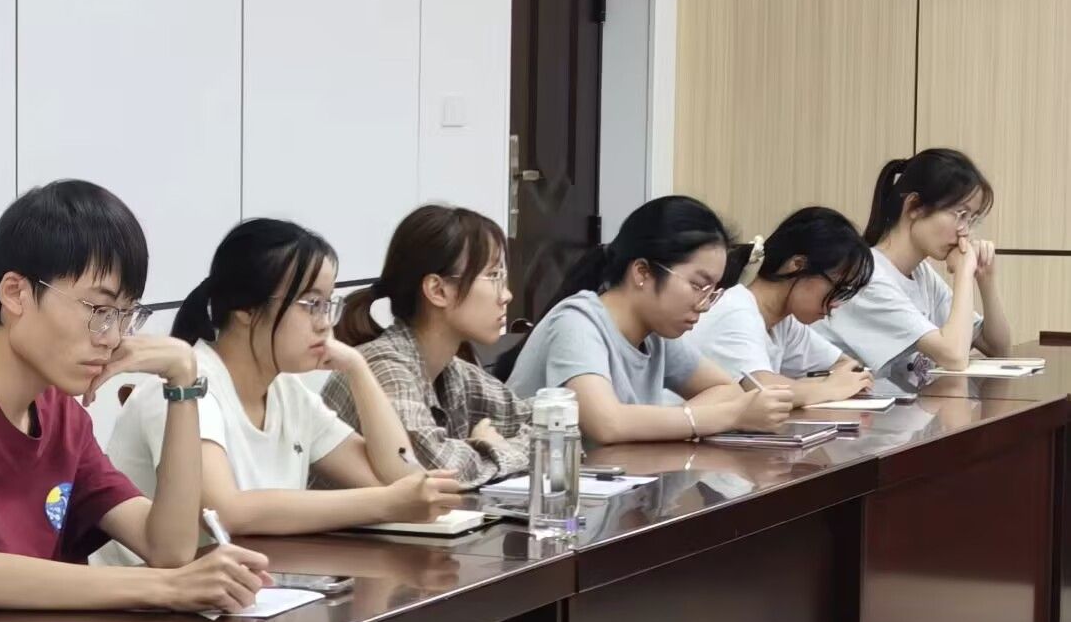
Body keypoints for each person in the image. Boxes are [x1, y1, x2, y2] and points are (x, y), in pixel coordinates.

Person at [0, 180, 271, 612]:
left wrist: (182, 383)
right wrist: (165, 588)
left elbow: (168, 548)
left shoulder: (63, 416)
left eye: (125, 315)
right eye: (99, 310)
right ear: (15, 293)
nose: (113, 337)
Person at [101, 219, 463, 542]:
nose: (325, 323)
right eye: (311, 304)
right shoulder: (183, 386)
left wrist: (358, 367)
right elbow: (224, 511)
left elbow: (397, 478)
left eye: (328, 305)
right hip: (144, 590)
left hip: (251, 583)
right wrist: (385, 503)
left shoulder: (289, 393)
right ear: (246, 308)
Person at [504, 196, 792, 446]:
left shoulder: (655, 335)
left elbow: (727, 390)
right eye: (697, 286)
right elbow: (607, 424)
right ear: (642, 272)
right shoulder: (577, 322)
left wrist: (675, 422)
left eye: (712, 292)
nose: (704, 305)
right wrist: (729, 416)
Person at [327, 204, 531, 488]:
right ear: (438, 290)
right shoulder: (384, 366)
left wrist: (499, 448)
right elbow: (429, 471)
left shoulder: (452, 370)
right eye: (494, 276)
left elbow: (552, 428)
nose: (506, 295)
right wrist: (490, 446)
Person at [820, 149, 1011, 386]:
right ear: (914, 206)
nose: (965, 231)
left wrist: (985, 277)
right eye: (960, 214)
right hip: (842, 408)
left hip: (902, 408)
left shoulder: (921, 274)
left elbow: (998, 348)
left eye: (971, 220)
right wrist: (964, 273)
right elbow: (954, 356)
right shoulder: (866, 277)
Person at [689, 207, 876, 404]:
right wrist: (828, 388)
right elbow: (763, 389)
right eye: (837, 288)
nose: (836, 304)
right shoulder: (736, 310)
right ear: (797, 265)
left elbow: (848, 367)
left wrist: (816, 387)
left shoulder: (784, 323)